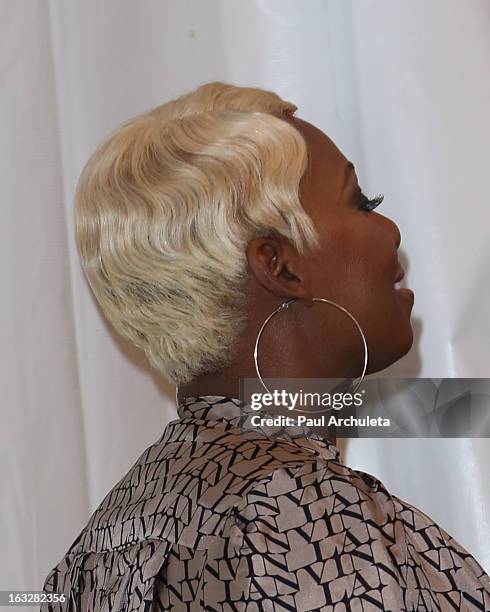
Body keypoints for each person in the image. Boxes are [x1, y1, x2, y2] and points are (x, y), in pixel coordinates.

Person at [41, 81, 490, 610]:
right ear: (279, 265)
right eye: (362, 203)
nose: (391, 230)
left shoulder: (105, 540)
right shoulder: (299, 511)